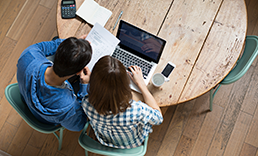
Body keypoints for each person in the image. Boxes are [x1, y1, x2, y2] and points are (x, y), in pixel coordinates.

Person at [81, 55, 163, 149]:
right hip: (132, 143)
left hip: (103, 139)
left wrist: (88, 82)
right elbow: (159, 118)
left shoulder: (86, 103)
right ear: (125, 83)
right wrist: (141, 84)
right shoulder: (136, 110)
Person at [17, 35, 92, 131]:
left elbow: (50, 45)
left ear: (58, 51)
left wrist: (73, 47)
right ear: (78, 72)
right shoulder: (68, 107)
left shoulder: (28, 55)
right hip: (49, 119)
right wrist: (85, 87)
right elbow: (79, 125)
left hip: (28, 99)